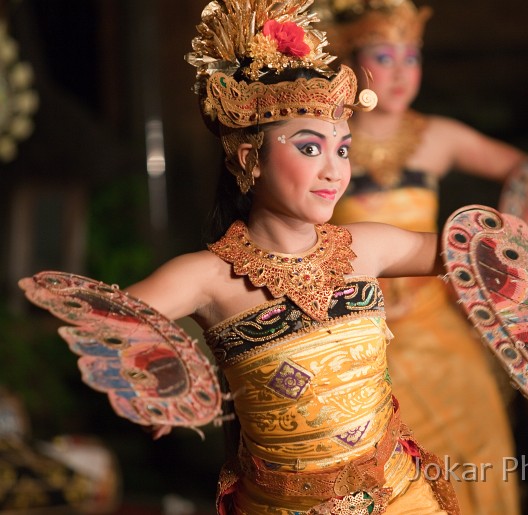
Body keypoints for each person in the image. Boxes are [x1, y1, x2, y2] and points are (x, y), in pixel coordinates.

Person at [129, 1, 458, 512]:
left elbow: (461, 249)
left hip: (403, 497)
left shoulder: (364, 246)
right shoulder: (208, 276)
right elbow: (101, 319)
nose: (334, 171)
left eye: (342, 149)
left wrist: (514, 244)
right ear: (249, 158)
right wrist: (156, 371)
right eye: (309, 149)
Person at [318, 1, 523, 513]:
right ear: (351, 61)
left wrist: (506, 254)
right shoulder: (326, 144)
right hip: (367, 336)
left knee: (482, 445)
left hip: (441, 328)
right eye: (384, 57)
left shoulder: (437, 137)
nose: (401, 72)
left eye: (411, 57)